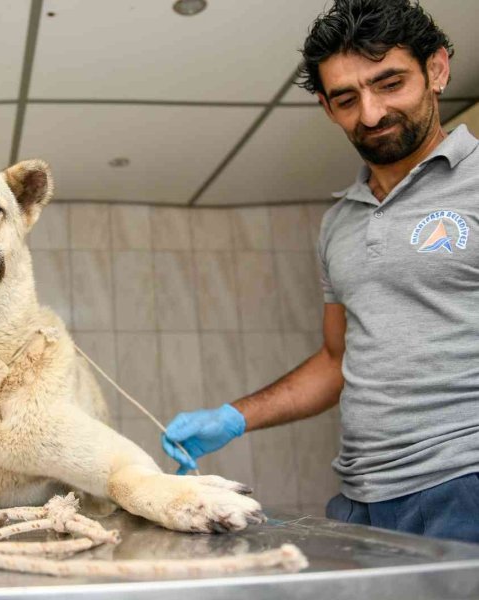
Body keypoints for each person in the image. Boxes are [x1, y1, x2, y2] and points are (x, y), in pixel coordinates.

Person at [163, 0, 479, 544]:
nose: (372, 113)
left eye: (390, 83)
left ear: (437, 70)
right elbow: (338, 358)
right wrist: (232, 417)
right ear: (327, 107)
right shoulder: (339, 223)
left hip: (464, 484)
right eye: (347, 98)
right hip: (361, 497)